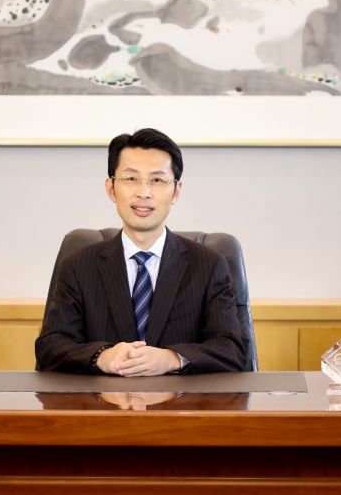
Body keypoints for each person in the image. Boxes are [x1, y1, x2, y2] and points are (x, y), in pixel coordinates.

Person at [35, 128, 249, 375]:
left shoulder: (209, 265)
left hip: (181, 399)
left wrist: (173, 358)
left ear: (176, 191)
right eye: (131, 179)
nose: (144, 192)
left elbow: (232, 349)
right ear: (111, 189)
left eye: (157, 180)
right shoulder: (78, 266)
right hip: (102, 398)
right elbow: (50, 347)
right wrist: (101, 356)